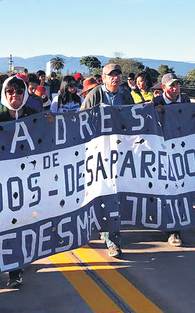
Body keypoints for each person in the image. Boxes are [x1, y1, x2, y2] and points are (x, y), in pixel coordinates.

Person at [0, 76, 41, 287]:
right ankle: (13, 268)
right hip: (2, 180)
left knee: (25, 222)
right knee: (7, 224)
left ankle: (19, 262)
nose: (14, 96)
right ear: (4, 93)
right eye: (10, 91)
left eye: (19, 92)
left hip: (28, 179)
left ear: (25, 94)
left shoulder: (33, 115)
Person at [81, 63, 134, 258]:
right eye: (111, 75)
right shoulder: (95, 95)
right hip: (99, 153)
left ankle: (109, 231)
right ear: (103, 78)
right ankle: (112, 240)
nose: (115, 78)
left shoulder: (125, 95)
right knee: (104, 192)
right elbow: (82, 118)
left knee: (116, 193)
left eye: (118, 75)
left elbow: (133, 116)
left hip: (120, 152)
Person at [153, 73, 191, 247]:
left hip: (181, 153)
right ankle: (167, 226)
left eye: (177, 85)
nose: (174, 89)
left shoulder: (185, 100)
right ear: (163, 88)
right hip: (160, 153)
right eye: (171, 86)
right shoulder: (155, 103)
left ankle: (175, 229)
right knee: (164, 191)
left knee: (179, 190)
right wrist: (156, 113)